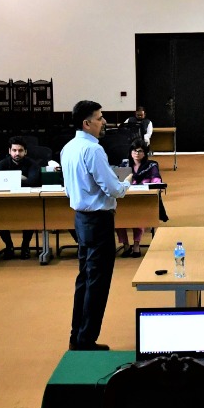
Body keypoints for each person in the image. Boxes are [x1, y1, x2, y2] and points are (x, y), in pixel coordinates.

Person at [63, 100, 131, 351]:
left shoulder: (68, 147)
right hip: (98, 221)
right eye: (100, 118)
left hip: (81, 219)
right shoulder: (93, 150)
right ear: (87, 122)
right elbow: (113, 188)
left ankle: (77, 335)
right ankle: (86, 340)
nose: (104, 122)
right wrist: (125, 185)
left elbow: (69, 187)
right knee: (97, 283)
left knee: (85, 279)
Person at [0, 137, 43, 259]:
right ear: (9, 151)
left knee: (30, 216)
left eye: (20, 150)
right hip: (6, 202)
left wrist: (11, 179)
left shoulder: (33, 164)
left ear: (25, 152)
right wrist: (21, 177)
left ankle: (25, 245)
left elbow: (33, 182)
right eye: (14, 150)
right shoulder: (3, 163)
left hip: (27, 201)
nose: (17, 153)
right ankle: (9, 245)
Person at [115, 140, 161, 257]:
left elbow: (156, 179)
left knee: (138, 215)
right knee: (118, 217)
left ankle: (136, 244)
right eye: (134, 150)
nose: (137, 153)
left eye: (140, 151)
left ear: (145, 153)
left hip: (141, 198)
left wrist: (156, 185)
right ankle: (125, 245)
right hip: (124, 198)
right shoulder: (124, 165)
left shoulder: (151, 165)